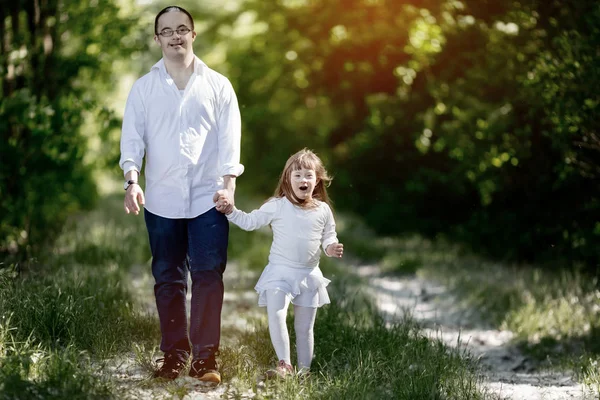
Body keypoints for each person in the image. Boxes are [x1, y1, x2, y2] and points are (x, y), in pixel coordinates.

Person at [119, 5, 243, 385]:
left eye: (182, 29)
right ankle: (173, 355)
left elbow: (229, 142)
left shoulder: (218, 85)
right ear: (157, 38)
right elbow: (133, 139)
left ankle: (205, 359)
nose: (175, 36)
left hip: (209, 198)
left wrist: (228, 185)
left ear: (193, 34)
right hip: (161, 199)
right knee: (168, 279)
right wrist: (131, 180)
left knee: (208, 275)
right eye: (167, 31)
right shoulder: (143, 88)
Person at [215, 148, 344, 379]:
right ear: (287, 179)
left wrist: (330, 247)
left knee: (304, 329)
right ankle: (285, 364)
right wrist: (231, 211)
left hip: (309, 275)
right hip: (280, 273)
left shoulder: (323, 210)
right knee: (276, 314)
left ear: (316, 182)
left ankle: (304, 371)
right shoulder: (277, 205)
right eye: (297, 175)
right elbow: (251, 221)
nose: (303, 179)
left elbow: (329, 235)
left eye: (308, 175)